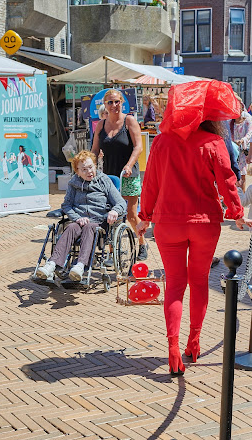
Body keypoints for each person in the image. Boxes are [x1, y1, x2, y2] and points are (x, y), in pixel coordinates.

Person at [136, 79, 251, 376]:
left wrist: (144, 215)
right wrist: (237, 213)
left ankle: (173, 348)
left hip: (168, 223)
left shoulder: (161, 142)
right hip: (205, 222)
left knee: (175, 285)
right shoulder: (213, 142)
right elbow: (227, 182)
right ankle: (194, 343)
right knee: (199, 282)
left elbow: (150, 184)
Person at [37, 150, 127, 282]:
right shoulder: (73, 184)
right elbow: (66, 205)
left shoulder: (104, 181)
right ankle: (51, 264)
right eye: (84, 169)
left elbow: (120, 203)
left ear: (95, 165)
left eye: (91, 167)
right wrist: (77, 218)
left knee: (90, 227)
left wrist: (114, 211)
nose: (89, 171)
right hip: (79, 221)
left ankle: (80, 265)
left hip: (98, 222)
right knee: (71, 227)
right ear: (77, 171)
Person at [91, 89, 147, 259]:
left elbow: (138, 147)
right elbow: (94, 150)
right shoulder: (101, 125)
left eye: (117, 102)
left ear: (122, 102)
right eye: (110, 102)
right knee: (111, 215)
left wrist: (129, 165)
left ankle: (142, 243)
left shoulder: (129, 121)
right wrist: (87, 166)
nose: (114, 105)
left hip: (128, 175)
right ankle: (111, 251)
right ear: (105, 105)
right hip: (109, 176)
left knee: (130, 215)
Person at [230, 100, 252, 191]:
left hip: (243, 152)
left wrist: (242, 140)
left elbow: (250, 133)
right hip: (233, 152)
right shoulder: (230, 121)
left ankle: (241, 199)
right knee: (233, 175)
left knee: (242, 177)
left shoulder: (247, 119)